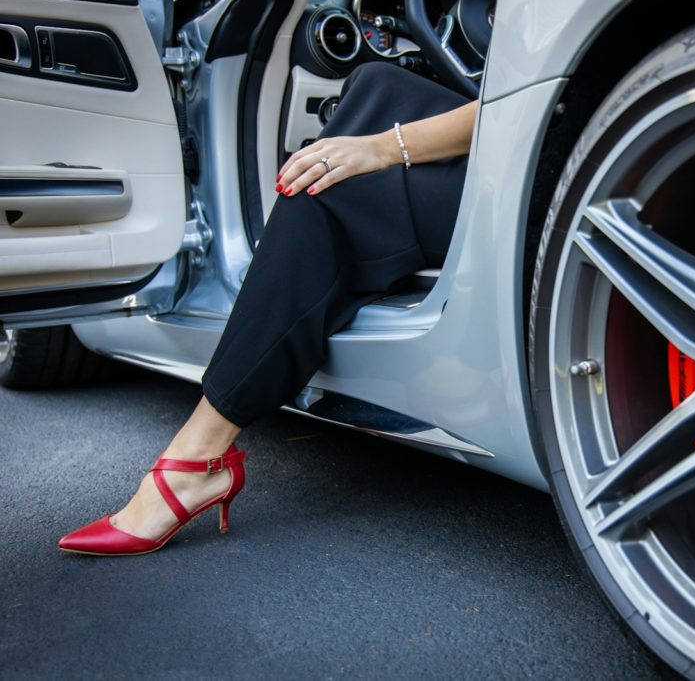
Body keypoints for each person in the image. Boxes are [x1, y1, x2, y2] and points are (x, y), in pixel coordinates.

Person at [57, 63, 478, 556]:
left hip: (542, 178)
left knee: (320, 192)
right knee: (375, 81)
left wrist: (381, 148)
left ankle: (199, 456)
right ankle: (200, 458)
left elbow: (518, 106)